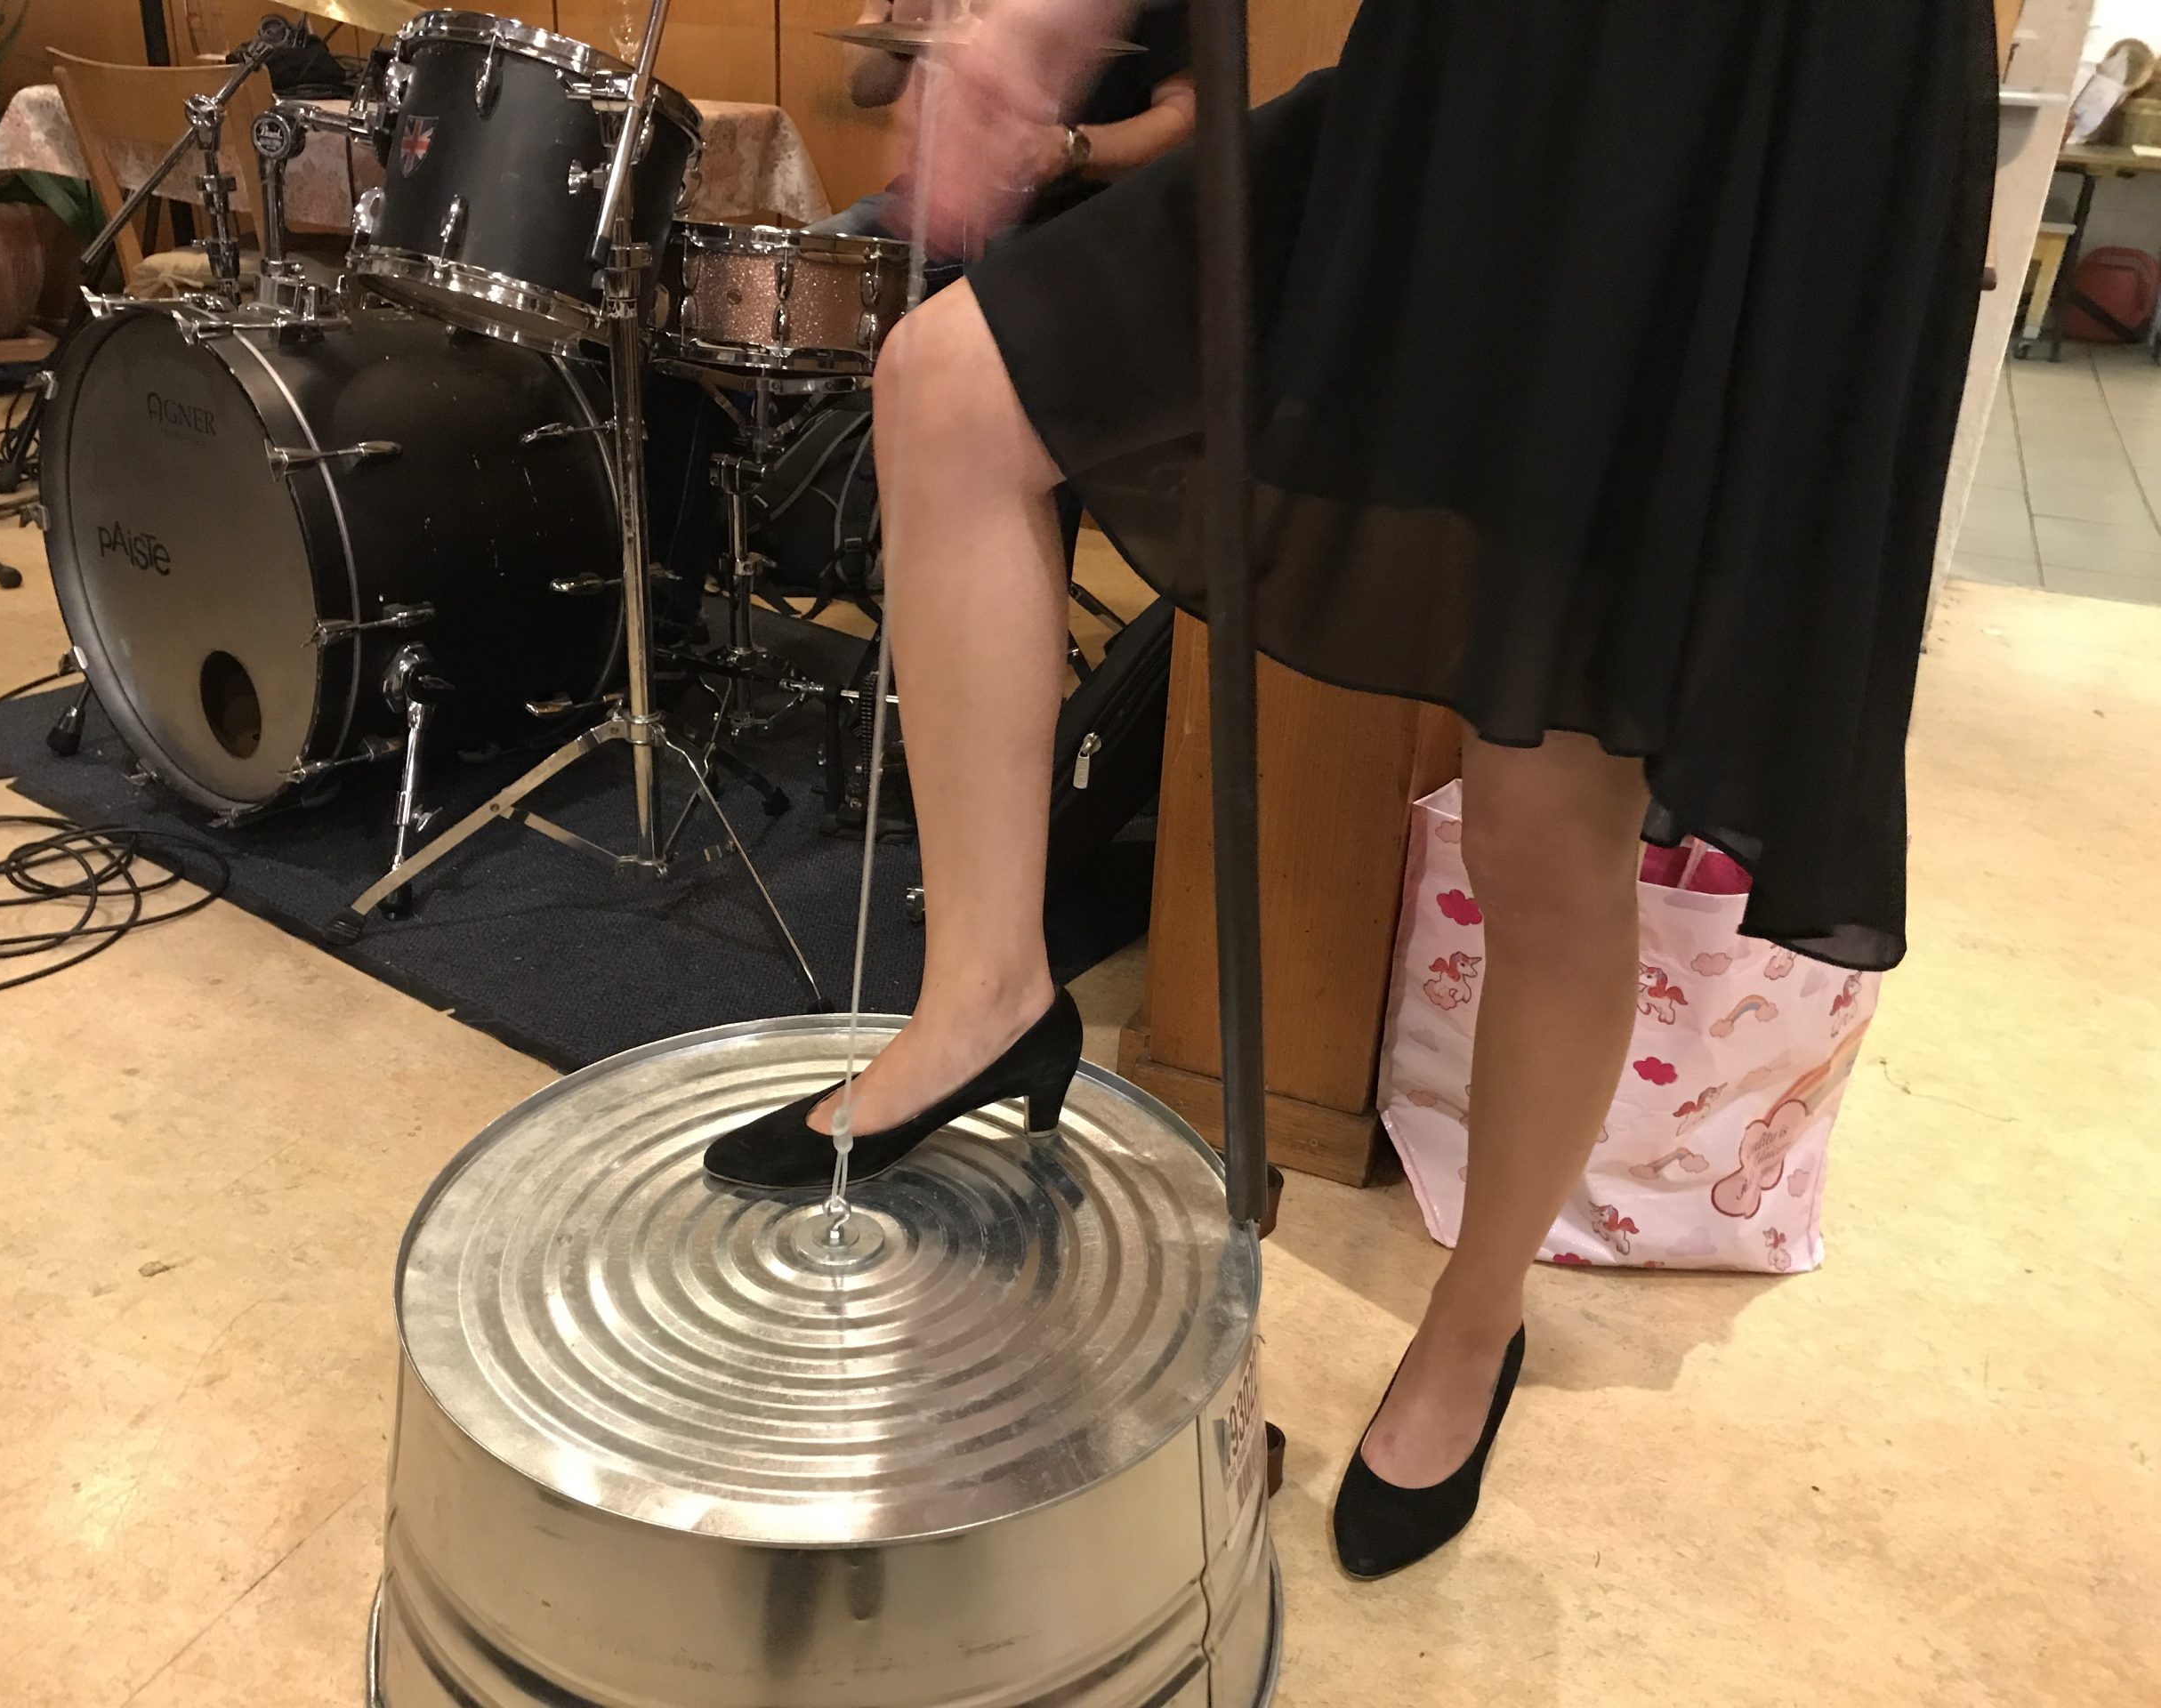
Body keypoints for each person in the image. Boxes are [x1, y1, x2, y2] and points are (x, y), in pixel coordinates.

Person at [707, 0, 1995, 1579]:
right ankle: (985, 998)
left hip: (1744, 109)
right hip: (1470, 73)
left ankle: (1478, 1319)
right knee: (953, 385)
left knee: (1544, 815)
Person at [812, 0, 1197, 243]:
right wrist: (902, 27)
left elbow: (1185, 116)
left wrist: (1069, 148)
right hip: (919, 209)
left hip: (1071, 215)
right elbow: (864, 90)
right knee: (798, 272)